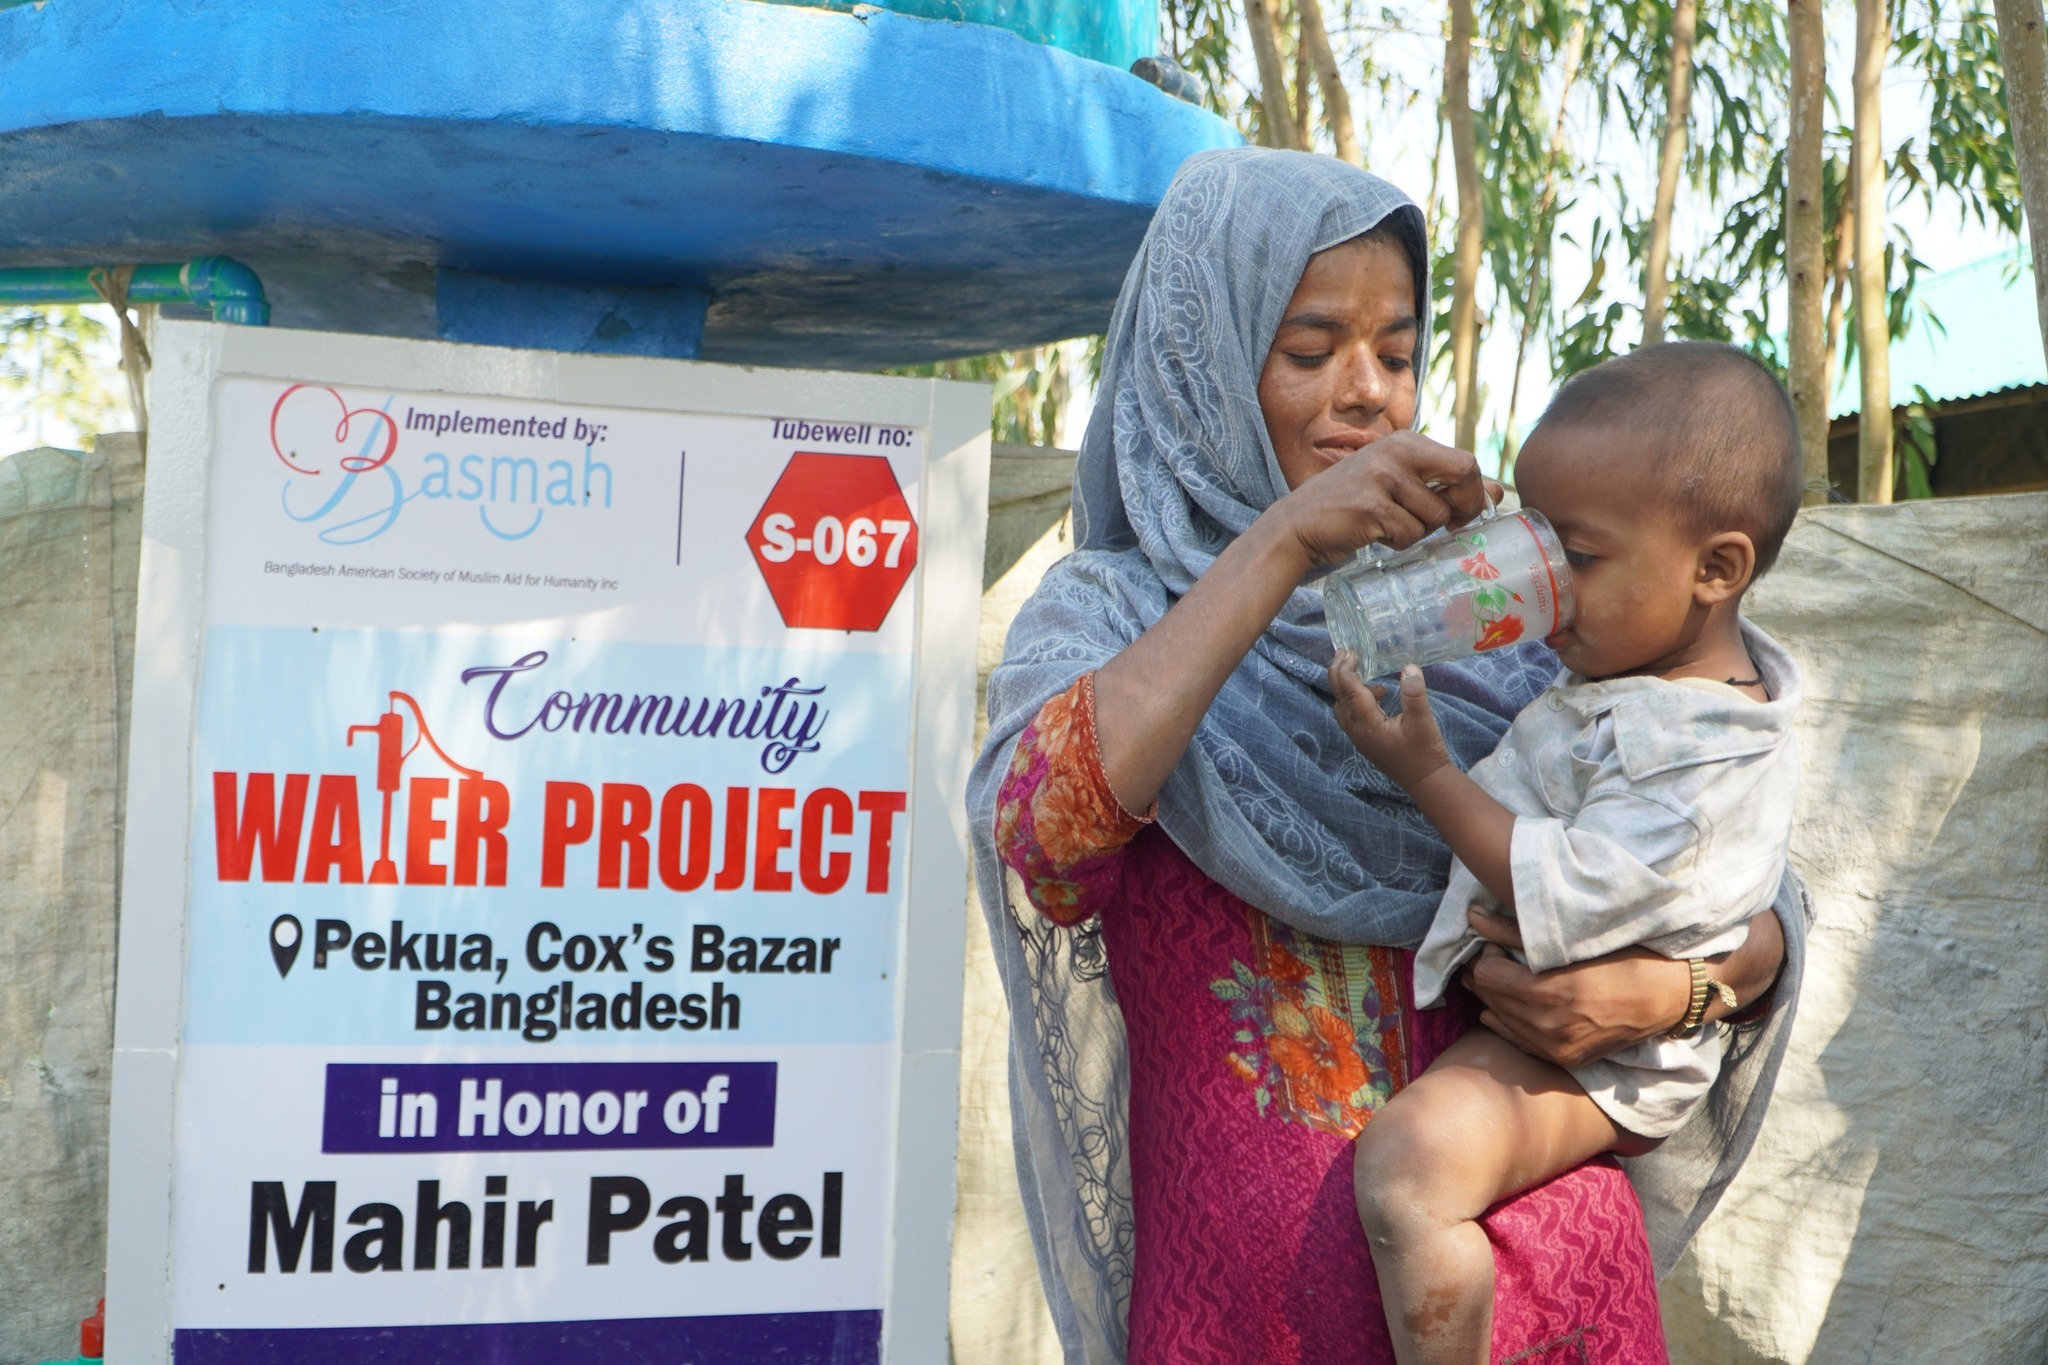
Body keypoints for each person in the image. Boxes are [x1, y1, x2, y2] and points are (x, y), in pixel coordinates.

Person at [968, 147, 1808, 1363]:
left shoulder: (1484, 612)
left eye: (1397, 354)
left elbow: (1717, 845)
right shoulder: (1108, 616)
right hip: (1251, 1318)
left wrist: (1677, 990)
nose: (1367, 393)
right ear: (1202, 363)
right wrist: (1278, 548)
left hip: (1543, 1296)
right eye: (1309, 351)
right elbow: (1043, 839)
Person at [1334, 343, 1805, 1364]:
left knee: (1409, 1169)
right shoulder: (1644, 675)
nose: (1542, 585)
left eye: (1576, 556)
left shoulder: (1698, 755)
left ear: (1716, 569)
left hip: (1612, 1062)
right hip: (1563, 1024)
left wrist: (1426, 774)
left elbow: (1565, 890)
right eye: (1532, 539)